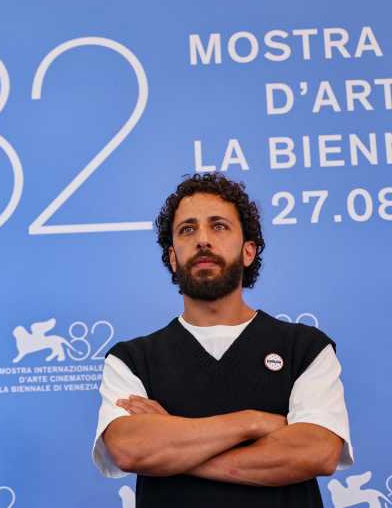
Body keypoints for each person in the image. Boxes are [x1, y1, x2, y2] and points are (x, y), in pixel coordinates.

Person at [92, 172, 352, 507]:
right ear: (173, 258)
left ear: (248, 251)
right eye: (187, 230)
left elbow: (317, 452)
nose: (202, 239)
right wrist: (254, 422)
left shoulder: (305, 348)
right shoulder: (131, 360)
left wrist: (173, 445)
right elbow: (130, 449)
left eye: (218, 226)